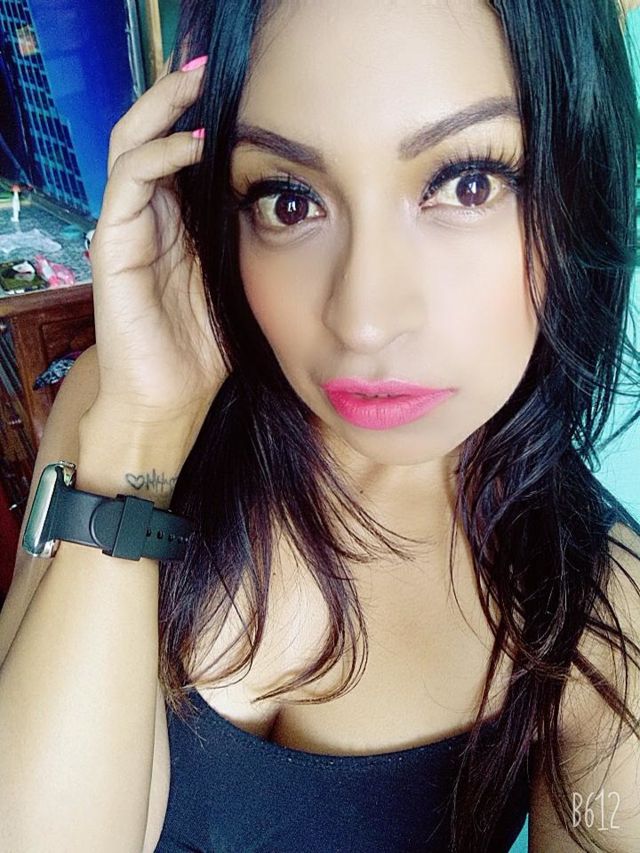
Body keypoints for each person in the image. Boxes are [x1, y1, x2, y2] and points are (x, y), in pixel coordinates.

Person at [1, 1, 640, 851]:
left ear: (578, 185)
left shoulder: (602, 626)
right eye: (289, 199)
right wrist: (140, 437)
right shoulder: (114, 407)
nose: (362, 319)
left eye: (468, 184)